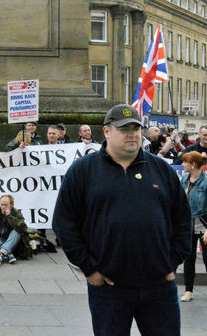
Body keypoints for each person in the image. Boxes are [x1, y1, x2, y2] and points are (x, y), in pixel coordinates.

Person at [53, 104, 191, 336]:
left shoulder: (160, 169)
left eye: (136, 128)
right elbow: (64, 223)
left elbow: (182, 219)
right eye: (124, 128)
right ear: (107, 132)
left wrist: (172, 262)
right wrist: (88, 268)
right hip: (108, 286)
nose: (132, 134)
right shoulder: (83, 171)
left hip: (158, 284)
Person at [179, 150, 207, 301]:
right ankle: (188, 291)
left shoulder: (206, 182)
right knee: (188, 259)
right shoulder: (184, 179)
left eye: (185, 162)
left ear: (194, 164)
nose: (182, 164)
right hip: (188, 225)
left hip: (203, 224)